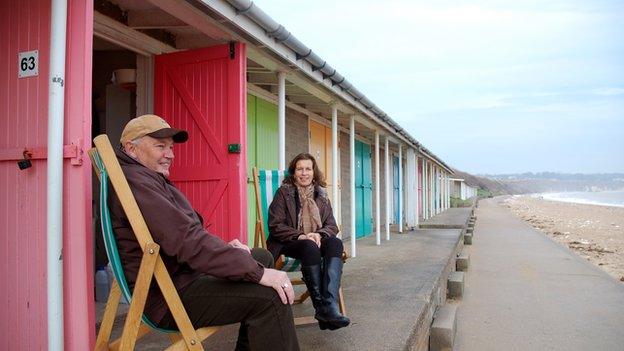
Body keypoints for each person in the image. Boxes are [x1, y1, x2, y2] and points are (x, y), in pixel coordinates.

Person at [109, 114, 299, 350]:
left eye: (171, 147)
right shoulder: (138, 183)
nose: (170, 154)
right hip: (168, 295)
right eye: (160, 146)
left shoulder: (146, 177)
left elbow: (185, 234)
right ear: (131, 149)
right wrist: (258, 274)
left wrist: (233, 254)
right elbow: (187, 241)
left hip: (179, 276)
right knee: (271, 297)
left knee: (261, 257)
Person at [267, 153, 350, 330]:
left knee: (335, 243)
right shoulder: (284, 193)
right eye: (299, 169)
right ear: (293, 172)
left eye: (308, 169)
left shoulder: (321, 194)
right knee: (309, 246)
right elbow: (275, 225)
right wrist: (301, 236)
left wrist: (319, 234)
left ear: (314, 172)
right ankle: (321, 308)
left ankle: (329, 306)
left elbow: (331, 225)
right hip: (289, 242)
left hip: (315, 239)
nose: (304, 173)